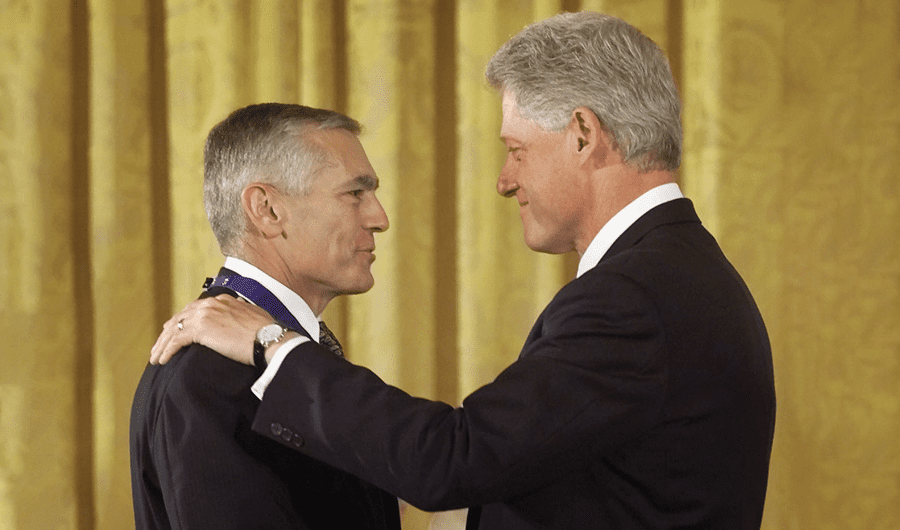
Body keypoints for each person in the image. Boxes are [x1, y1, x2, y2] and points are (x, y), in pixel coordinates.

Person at [151, 12, 776, 530]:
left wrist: (269, 343)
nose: (506, 181)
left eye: (516, 150)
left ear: (583, 135)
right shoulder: (684, 276)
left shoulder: (633, 298)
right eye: (354, 194)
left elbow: (455, 459)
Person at [129, 103, 400, 529]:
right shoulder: (208, 376)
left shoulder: (270, 355)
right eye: (355, 193)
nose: (379, 218)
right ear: (267, 209)